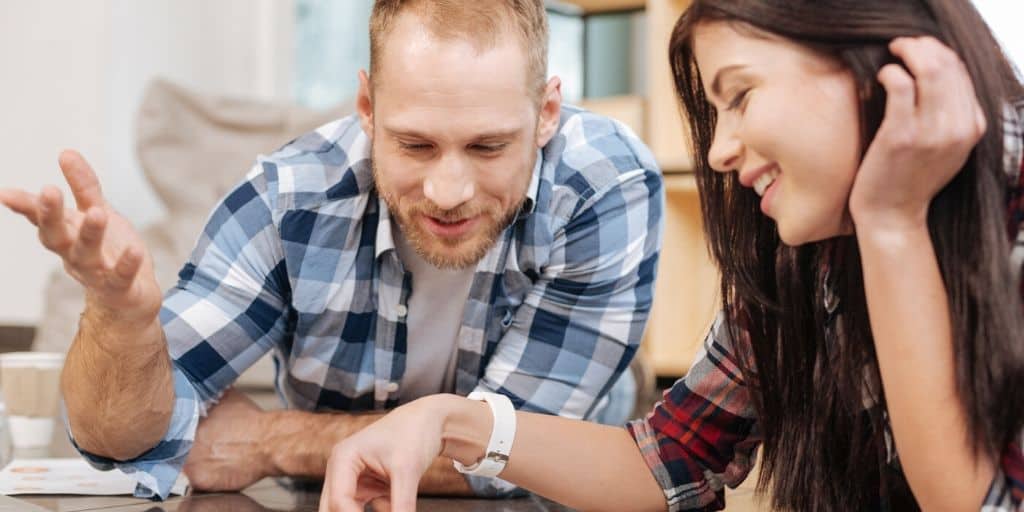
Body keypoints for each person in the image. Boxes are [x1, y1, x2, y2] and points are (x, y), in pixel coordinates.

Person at [316, 0, 1024, 511]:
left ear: (885, 62)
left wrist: (893, 225)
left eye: (739, 95)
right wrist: (447, 420)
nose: (718, 150)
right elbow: (672, 457)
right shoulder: (808, 255)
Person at [0, 0, 664, 501]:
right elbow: (119, 438)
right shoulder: (288, 195)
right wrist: (122, 321)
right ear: (367, 106)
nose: (448, 191)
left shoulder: (608, 184)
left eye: (488, 147)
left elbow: (516, 454)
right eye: (415, 145)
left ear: (547, 112)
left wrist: (271, 439)